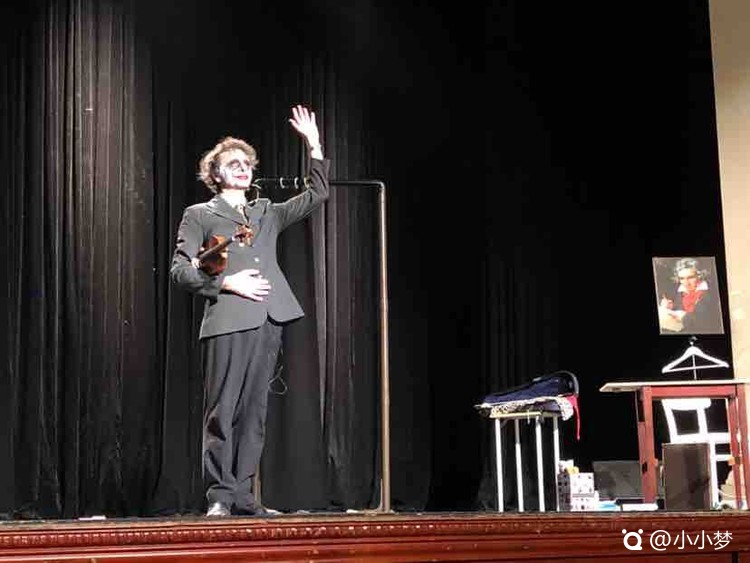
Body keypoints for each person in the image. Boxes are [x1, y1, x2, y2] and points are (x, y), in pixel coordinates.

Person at [170, 105, 329, 516]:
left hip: (267, 319)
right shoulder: (200, 214)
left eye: (246, 163)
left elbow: (318, 195)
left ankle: (242, 495)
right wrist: (227, 282)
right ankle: (219, 496)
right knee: (223, 410)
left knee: (255, 412)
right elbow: (180, 270)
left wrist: (314, 146)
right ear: (215, 174)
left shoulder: (266, 212)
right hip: (227, 321)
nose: (242, 168)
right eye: (232, 164)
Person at [658, 258, 724, 335]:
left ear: (699, 276)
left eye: (690, 277)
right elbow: (674, 306)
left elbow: (710, 322)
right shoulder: (677, 291)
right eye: (682, 278)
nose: (686, 283)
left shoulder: (713, 293)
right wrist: (669, 305)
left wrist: (684, 317)